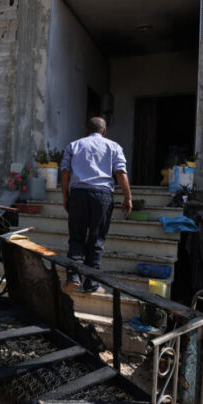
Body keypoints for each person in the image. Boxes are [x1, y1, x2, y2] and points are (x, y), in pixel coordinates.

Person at [60, 117, 132, 293]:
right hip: (102, 196)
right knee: (97, 238)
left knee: (76, 237)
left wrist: (66, 196)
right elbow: (120, 172)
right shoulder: (114, 146)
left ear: (86, 130)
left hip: (78, 194)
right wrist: (128, 197)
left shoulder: (73, 145)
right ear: (104, 131)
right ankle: (91, 283)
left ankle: (73, 277)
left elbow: (65, 172)